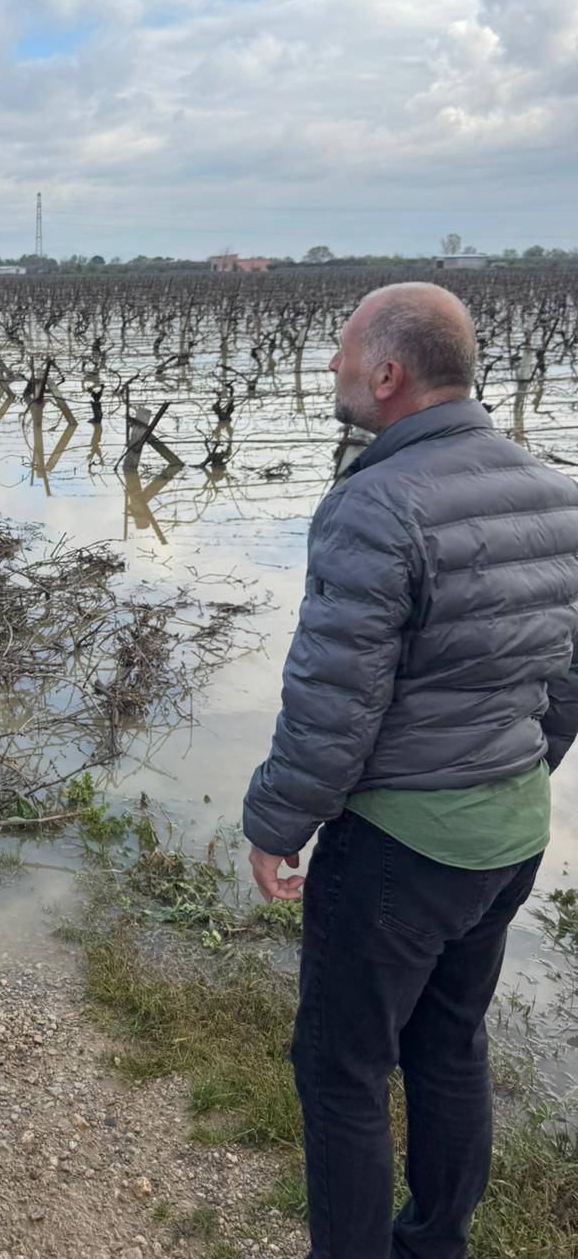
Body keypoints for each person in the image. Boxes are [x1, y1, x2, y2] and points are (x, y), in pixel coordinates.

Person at [244, 282, 578, 1259]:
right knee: (449, 1039)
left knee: (340, 1067)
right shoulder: (558, 489)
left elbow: (331, 708)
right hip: (511, 836)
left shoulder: (374, 504)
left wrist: (277, 823)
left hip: (401, 850)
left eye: (345, 355)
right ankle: (435, 1242)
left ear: (387, 375)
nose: (335, 371)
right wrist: (516, 764)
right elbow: (567, 681)